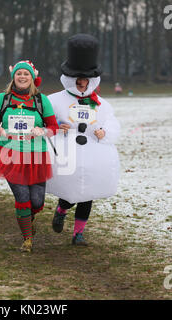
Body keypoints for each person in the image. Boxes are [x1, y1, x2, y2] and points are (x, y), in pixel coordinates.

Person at [46, 34, 121, 246]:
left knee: (88, 195)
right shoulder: (54, 100)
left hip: (93, 156)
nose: (81, 85)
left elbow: (113, 123)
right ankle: (61, 210)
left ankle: (78, 233)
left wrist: (104, 132)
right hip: (66, 155)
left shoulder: (101, 104)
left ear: (91, 81)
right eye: (77, 81)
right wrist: (56, 127)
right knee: (70, 194)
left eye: (85, 81)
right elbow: (44, 122)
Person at [0, 60, 59, 252]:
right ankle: (27, 239)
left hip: (36, 156)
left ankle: (29, 218)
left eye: (26, 74)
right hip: (10, 154)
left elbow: (53, 128)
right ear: (13, 77)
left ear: (32, 78)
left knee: (37, 201)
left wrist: (41, 131)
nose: (22, 77)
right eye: (19, 74)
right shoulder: (3, 99)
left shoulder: (42, 100)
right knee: (22, 196)